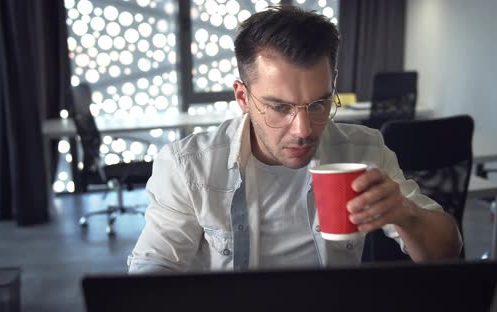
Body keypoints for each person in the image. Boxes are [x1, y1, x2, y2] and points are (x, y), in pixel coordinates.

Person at [128, 6, 462, 273]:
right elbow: (153, 268)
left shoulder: (365, 150)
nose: (303, 130)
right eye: (278, 107)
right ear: (243, 97)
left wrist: (406, 214)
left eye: (319, 104)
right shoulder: (189, 167)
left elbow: (447, 253)